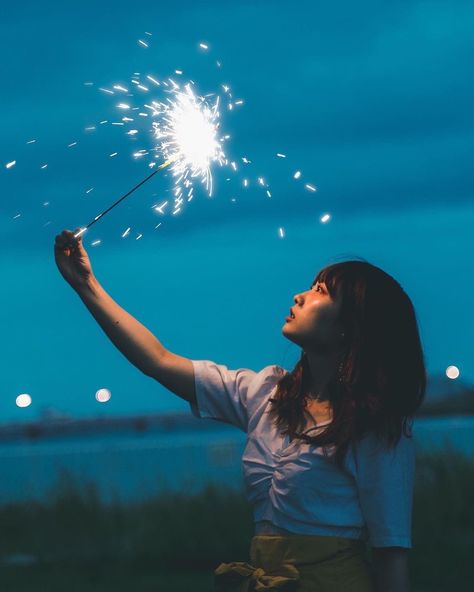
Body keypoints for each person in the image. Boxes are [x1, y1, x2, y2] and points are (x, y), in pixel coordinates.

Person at [54, 228, 426, 592]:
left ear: (350, 326)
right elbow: (158, 361)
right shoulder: (265, 394)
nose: (299, 296)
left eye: (319, 292)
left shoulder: (374, 428)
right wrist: (86, 285)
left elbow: (391, 554)